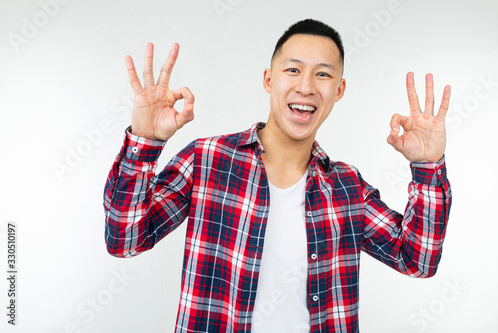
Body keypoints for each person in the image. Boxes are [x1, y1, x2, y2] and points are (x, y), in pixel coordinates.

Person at [103, 19, 452, 333]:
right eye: (293, 70)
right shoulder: (206, 160)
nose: (306, 87)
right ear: (269, 80)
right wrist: (144, 142)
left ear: (339, 91)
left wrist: (428, 166)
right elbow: (125, 239)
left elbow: (417, 259)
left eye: (323, 74)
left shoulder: (348, 188)